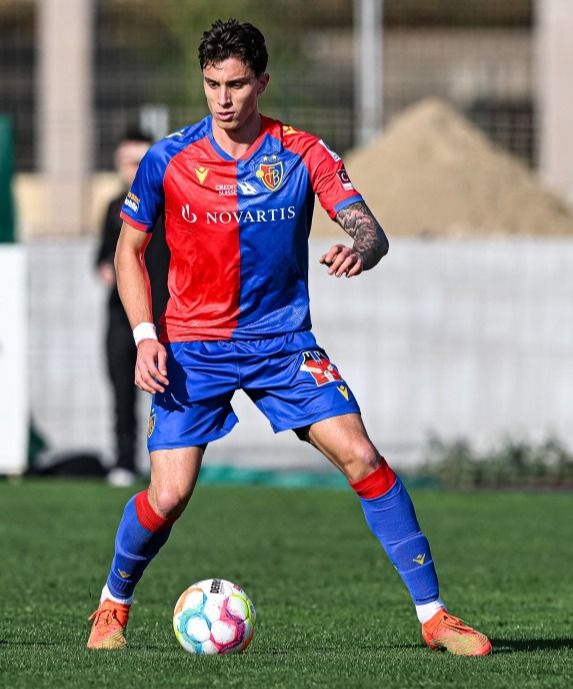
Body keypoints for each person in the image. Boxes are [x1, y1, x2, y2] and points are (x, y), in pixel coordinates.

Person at [87, 19, 491, 656]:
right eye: (212, 84)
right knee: (168, 494)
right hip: (193, 345)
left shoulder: (302, 152)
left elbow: (371, 230)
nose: (223, 98)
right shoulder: (169, 158)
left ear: (262, 82)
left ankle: (436, 618)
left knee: (361, 456)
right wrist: (145, 335)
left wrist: (361, 247)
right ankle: (112, 606)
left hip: (283, 344)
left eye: (237, 84)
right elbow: (129, 249)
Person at [95, 130, 171, 487]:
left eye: (141, 161)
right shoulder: (114, 208)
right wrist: (105, 268)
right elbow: (104, 252)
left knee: (168, 392)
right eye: (128, 161)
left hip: (161, 315)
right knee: (122, 392)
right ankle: (124, 461)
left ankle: (169, 465)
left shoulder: (169, 206)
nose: (134, 168)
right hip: (120, 316)